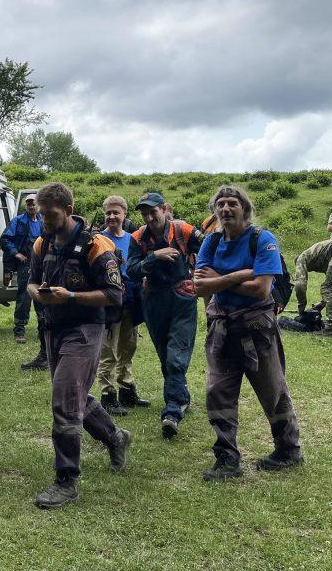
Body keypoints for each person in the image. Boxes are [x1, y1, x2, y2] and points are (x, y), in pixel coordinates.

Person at [27, 183, 130, 509]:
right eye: (41, 214)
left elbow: (115, 295)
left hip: (85, 330)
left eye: (51, 214)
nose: (44, 219)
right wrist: (38, 293)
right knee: (75, 395)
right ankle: (115, 437)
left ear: (68, 210)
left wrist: (70, 296)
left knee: (64, 401)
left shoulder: (96, 245)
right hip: (52, 329)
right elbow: (29, 281)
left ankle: (66, 480)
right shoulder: (42, 243)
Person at [193, 186, 302, 481]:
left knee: (273, 390)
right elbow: (200, 285)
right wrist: (243, 273)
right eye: (221, 204)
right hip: (222, 329)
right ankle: (227, 459)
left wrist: (223, 279)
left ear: (245, 208)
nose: (226, 209)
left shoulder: (261, 239)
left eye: (232, 203)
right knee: (218, 393)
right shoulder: (211, 242)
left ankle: (289, 449)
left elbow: (261, 288)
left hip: (258, 329)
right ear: (215, 210)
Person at [126, 192, 205, 439]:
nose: (149, 217)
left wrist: (201, 275)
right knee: (165, 356)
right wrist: (154, 257)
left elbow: (210, 249)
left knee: (176, 355)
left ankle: (172, 412)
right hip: (154, 301)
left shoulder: (184, 230)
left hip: (183, 298)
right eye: (144, 213)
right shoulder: (138, 237)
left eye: (153, 211)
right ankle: (181, 398)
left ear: (164, 209)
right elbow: (131, 271)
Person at [95, 195, 150, 416]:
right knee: (108, 349)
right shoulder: (98, 239)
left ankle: (127, 389)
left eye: (116, 212)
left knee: (129, 345)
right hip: (110, 300)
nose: (112, 216)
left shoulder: (133, 239)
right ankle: (107, 394)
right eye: (108, 213)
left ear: (124, 214)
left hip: (132, 298)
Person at [4, 195, 46, 367]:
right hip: (25, 263)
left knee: (42, 295)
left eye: (33, 203)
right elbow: (5, 238)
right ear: (26, 206)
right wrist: (16, 254)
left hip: (42, 263)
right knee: (24, 297)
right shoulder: (18, 221)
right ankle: (19, 330)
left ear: (38, 205)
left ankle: (43, 329)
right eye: (28, 204)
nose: (31, 206)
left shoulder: (43, 220)